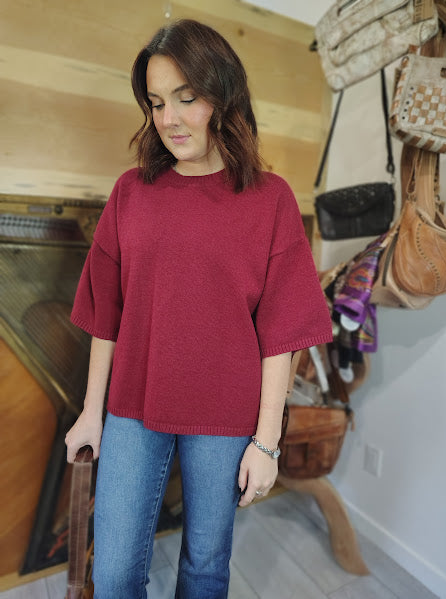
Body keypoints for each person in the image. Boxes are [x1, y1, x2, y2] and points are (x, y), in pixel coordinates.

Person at [65, 18, 332, 599]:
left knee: (206, 569)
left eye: (186, 98)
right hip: (133, 405)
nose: (169, 119)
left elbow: (282, 332)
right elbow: (106, 312)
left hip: (227, 413)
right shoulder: (131, 192)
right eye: (157, 102)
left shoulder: (270, 199)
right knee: (113, 574)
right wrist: (91, 412)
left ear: (222, 96)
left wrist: (266, 442)